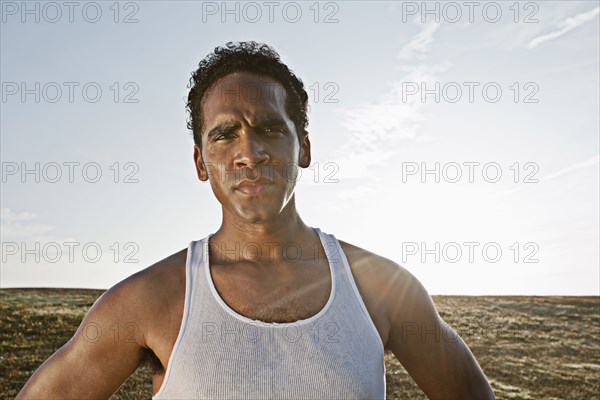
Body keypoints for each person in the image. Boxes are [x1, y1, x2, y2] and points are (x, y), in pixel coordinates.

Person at [16, 41, 495, 399]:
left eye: (269, 128)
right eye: (225, 135)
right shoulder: (149, 299)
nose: (250, 152)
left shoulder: (384, 287)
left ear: (302, 147)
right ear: (201, 163)